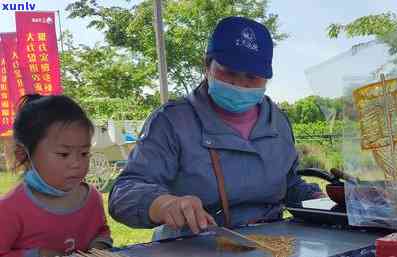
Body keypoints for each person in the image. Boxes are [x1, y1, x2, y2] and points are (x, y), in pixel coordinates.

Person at [108, 16, 322, 240]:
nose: (239, 83)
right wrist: (163, 204)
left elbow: (289, 184)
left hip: (274, 245)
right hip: (194, 246)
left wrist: (318, 198)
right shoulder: (172, 121)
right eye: (229, 71)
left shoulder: (277, 121)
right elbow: (124, 192)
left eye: (252, 76)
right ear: (207, 66)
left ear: (267, 76)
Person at [0, 95, 112, 257]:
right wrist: (36, 254)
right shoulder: (10, 209)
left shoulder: (92, 197)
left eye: (84, 153)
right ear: (23, 154)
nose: (77, 163)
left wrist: (99, 247)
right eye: (64, 154)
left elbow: (101, 232)